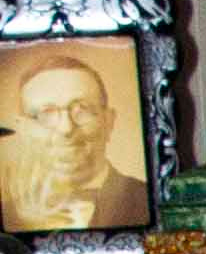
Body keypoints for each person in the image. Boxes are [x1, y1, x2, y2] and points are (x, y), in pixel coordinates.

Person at [2, 54, 148, 233]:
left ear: (108, 122)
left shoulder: (148, 200)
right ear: (23, 129)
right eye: (46, 113)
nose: (66, 128)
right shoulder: (7, 217)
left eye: (82, 109)